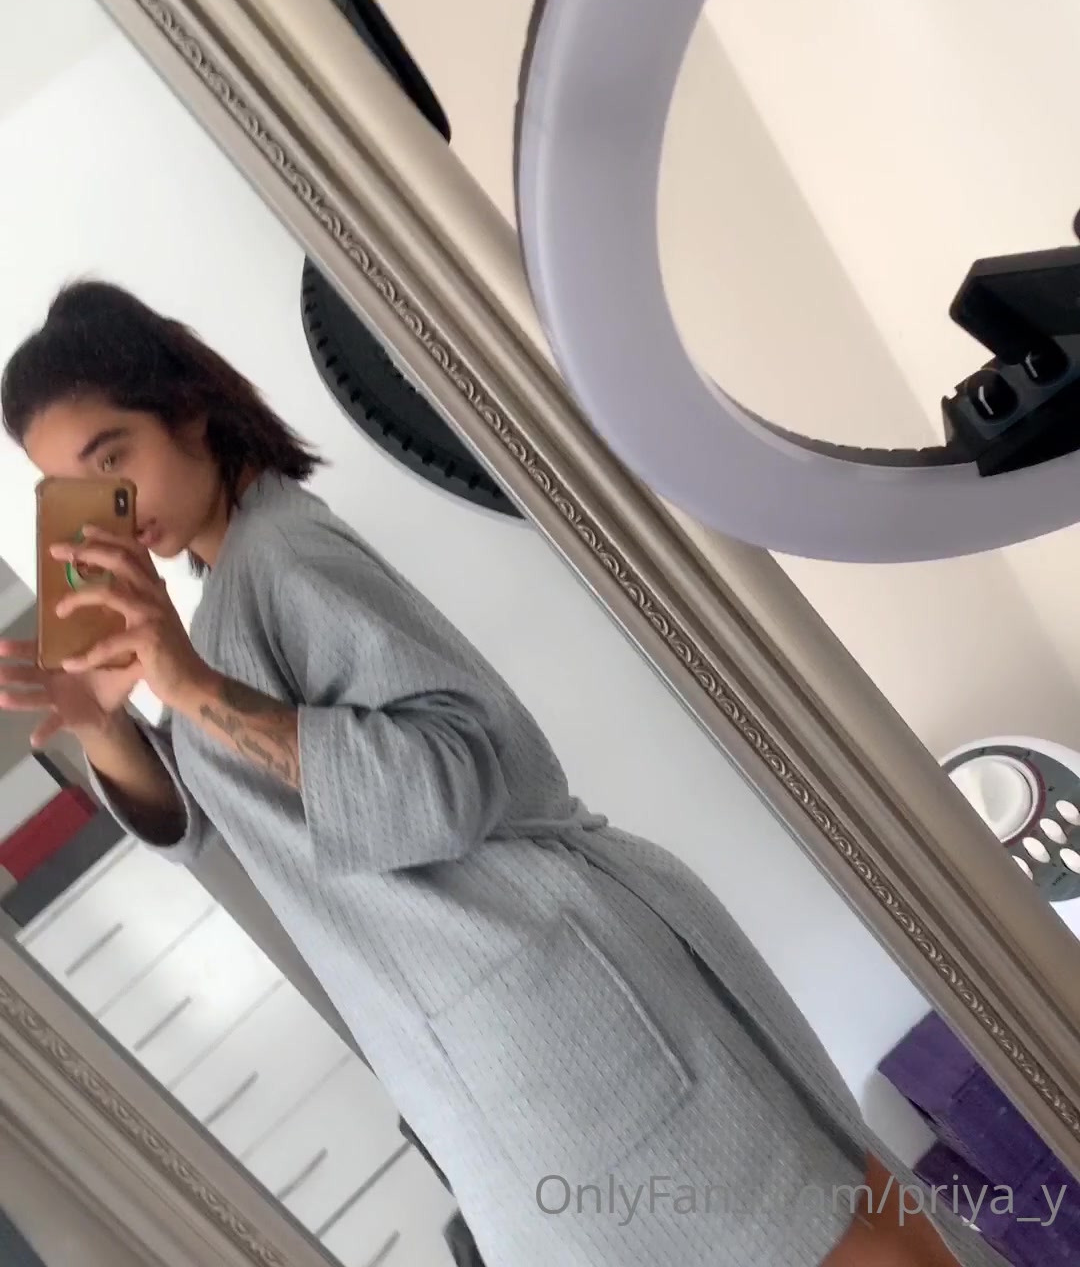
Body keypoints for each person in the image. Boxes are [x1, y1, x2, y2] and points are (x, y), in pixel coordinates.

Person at [0, 287, 1003, 1267]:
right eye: (75, 489)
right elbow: (231, 828)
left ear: (186, 412)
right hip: (508, 1045)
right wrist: (108, 724)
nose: (113, 511)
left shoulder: (286, 556)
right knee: (833, 1221)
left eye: (112, 460)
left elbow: (449, 780)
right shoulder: (224, 607)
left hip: (561, 1006)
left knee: (816, 1234)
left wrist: (190, 687)